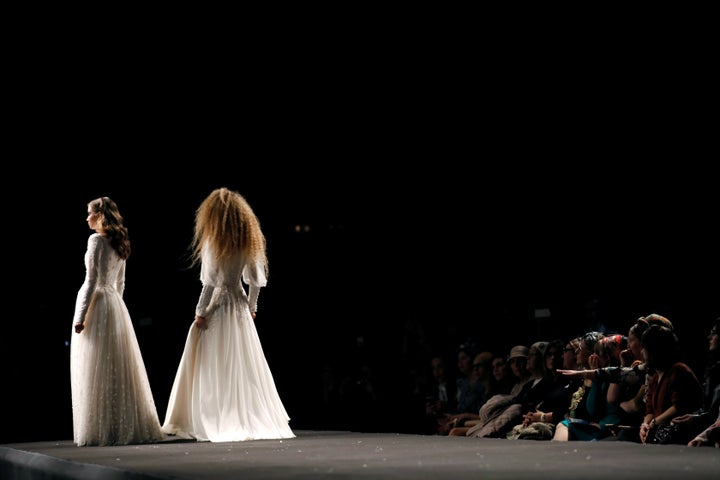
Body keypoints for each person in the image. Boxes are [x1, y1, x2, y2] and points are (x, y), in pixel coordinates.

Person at [161, 187, 295, 442]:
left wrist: (200, 312)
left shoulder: (215, 242)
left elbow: (210, 283)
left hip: (221, 306)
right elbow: (255, 280)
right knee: (243, 363)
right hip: (240, 307)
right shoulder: (249, 241)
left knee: (212, 361)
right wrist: (252, 307)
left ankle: (211, 413)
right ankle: (243, 412)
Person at [70, 196, 163, 447]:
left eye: (89, 213)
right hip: (115, 306)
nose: (86, 218)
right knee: (115, 367)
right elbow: (120, 283)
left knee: (96, 367)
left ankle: (102, 429)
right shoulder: (120, 241)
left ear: (100, 215)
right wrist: (116, 309)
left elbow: (91, 281)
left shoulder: (96, 240)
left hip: (98, 304)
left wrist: (80, 316)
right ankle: (118, 425)